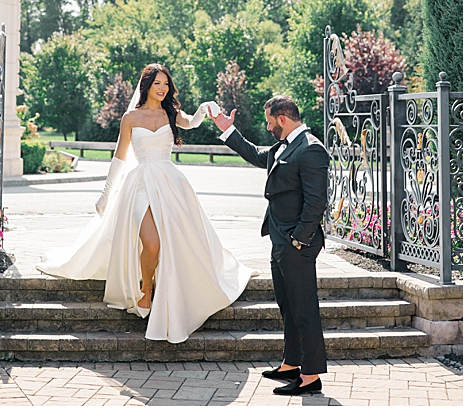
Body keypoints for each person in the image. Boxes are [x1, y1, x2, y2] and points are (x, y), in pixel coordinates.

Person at [37, 63, 254, 344]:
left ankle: (163, 288)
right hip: (139, 184)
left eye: (166, 84)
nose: (162, 88)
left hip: (170, 183)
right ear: (146, 86)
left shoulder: (171, 113)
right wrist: (105, 194)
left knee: (176, 242)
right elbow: (119, 157)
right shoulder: (131, 117)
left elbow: (193, 122)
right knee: (151, 243)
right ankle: (146, 289)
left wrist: (204, 108)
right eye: (157, 84)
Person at [210, 95, 329, 396]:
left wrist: (299, 239)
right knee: (288, 306)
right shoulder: (283, 145)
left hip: (297, 244)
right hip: (279, 239)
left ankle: (311, 376)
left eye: (269, 122)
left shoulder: (311, 149)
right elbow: (256, 154)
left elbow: (317, 202)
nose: (267, 127)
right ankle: (292, 363)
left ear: (283, 119)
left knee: (304, 309)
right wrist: (228, 130)